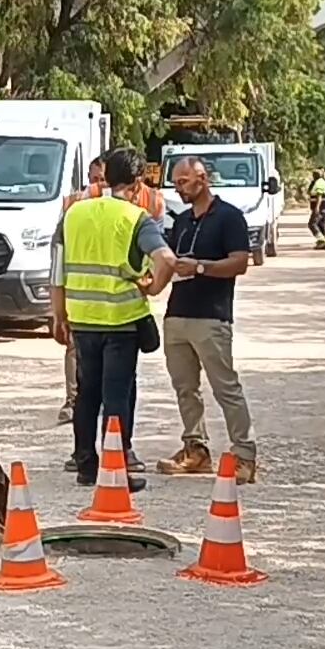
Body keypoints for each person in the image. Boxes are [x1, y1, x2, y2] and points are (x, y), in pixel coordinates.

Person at [52, 148, 178, 488]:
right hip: (121, 322)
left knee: (86, 394)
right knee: (118, 395)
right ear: (137, 183)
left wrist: (59, 314)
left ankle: (85, 466)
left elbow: (57, 270)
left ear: (106, 177)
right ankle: (115, 468)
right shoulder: (136, 218)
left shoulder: (74, 214)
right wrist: (153, 289)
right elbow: (166, 259)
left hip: (82, 320)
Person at [156, 158, 260, 482]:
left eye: (184, 182)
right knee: (185, 388)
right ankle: (195, 449)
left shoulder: (229, 217)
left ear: (202, 179)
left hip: (211, 316)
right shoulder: (183, 221)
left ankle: (244, 455)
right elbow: (170, 262)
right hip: (178, 314)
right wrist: (150, 283)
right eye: (176, 183)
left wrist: (201, 267)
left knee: (225, 387)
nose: (179, 188)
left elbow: (240, 262)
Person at [307, 169, 325, 249]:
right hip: (324, 206)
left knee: (312, 224)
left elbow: (319, 196)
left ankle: (322, 239)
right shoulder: (320, 182)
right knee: (321, 224)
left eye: (314, 175)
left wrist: (317, 207)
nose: (313, 176)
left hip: (320, 207)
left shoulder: (319, 183)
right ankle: (322, 243)